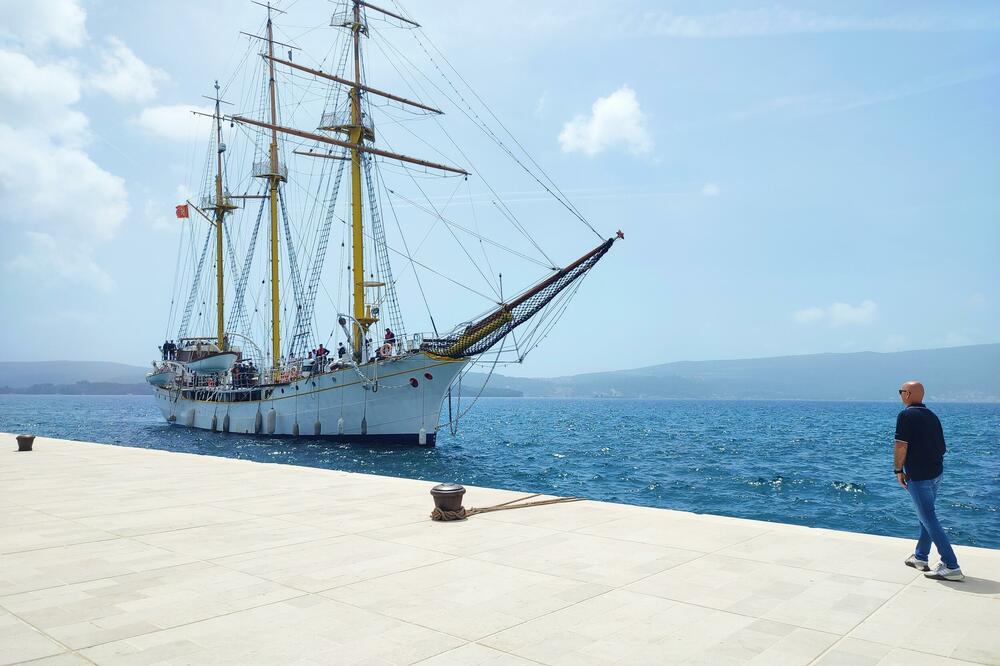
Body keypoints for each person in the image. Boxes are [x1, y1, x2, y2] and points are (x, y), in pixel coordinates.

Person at [894, 380, 964, 581]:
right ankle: (920, 557)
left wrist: (898, 470)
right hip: (936, 474)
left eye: (901, 391)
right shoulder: (932, 416)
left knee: (929, 517)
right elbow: (942, 447)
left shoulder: (906, 415)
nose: (901, 395)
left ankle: (951, 565)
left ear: (907, 394)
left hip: (919, 475)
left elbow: (901, 446)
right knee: (924, 514)